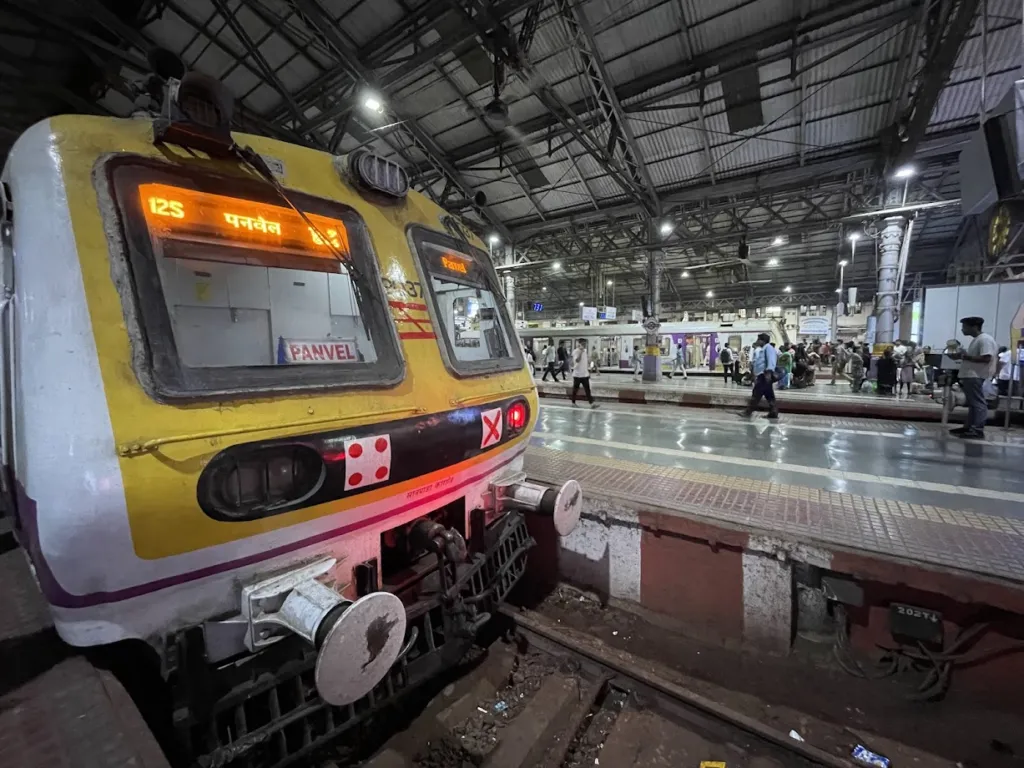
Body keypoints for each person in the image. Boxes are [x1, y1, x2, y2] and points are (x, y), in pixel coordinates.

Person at [949, 316, 997, 438]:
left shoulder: (985, 339)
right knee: (973, 403)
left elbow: (986, 358)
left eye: (964, 327)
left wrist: (965, 357)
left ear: (974, 327)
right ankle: (969, 427)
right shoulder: (978, 339)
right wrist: (960, 356)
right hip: (970, 375)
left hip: (975, 375)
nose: (962, 330)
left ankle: (977, 429)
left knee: (978, 403)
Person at [741, 333, 779, 419]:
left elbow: (771, 360)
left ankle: (748, 411)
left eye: (758, 340)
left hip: (764, 375)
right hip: (762, 375)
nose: (757, 341)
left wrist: (769, 372)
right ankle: (773, 412)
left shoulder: (768, 348)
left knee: (756, 393)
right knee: (769, 395)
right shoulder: (764, 348)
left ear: (763, 340)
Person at [571, 339, 598, 409]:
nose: (585, 345)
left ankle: (592, 404)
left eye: (585, 344)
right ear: (579, 344)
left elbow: (585, 362)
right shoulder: (576, 351)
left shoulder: (585, 352)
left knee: (587, 390)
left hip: (584, 374)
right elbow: (577, 360)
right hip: (577, 375)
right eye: (583, 344)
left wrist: (588, 372)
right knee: (575, 390)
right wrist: (581, 351)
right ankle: (573, 402)